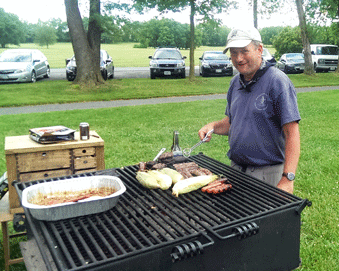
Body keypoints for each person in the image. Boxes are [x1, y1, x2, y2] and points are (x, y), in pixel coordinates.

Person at [198, 26, 300, 194]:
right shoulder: (235, 83)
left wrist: (288, 178)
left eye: (244, 51)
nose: (239, 58)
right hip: (236, 170)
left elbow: (292, 133)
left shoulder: (277, 81)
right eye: (233, 53)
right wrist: (213, 127)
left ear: (259, 49)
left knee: (266, 221)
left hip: (268, 173)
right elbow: (232, 122)